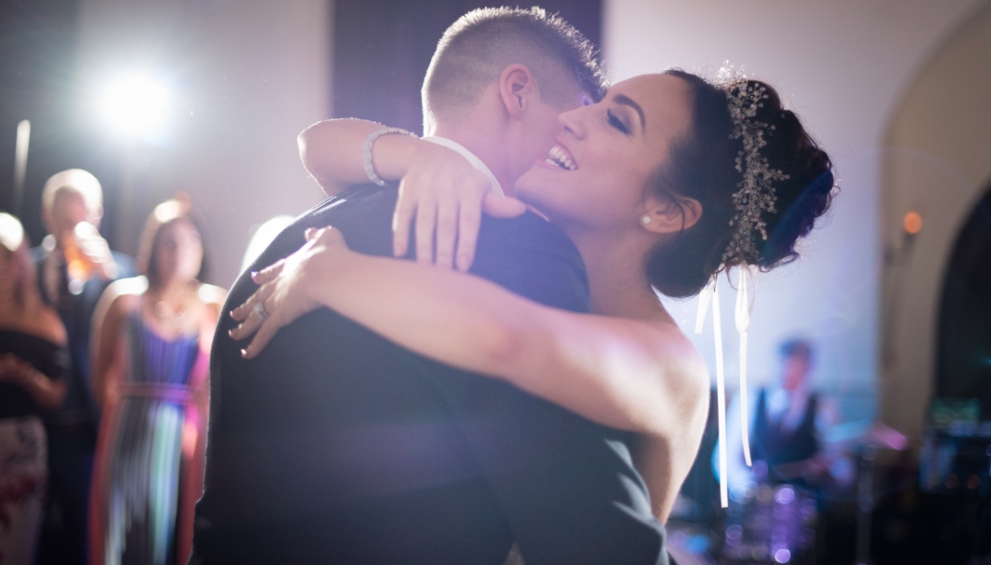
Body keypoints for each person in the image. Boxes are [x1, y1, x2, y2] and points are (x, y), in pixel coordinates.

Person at [231, 66, 835, 526]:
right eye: (596, 104)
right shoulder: (514, 236)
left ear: (664, 211)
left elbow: (512, 341)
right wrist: (424, 155)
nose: (574, 118)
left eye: (616, 121)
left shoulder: (672, 368)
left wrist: (328, 273)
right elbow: (318, 147)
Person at [191, 7, 676, 565]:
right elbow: (584, 527)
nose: (574, 136)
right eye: (576, 116)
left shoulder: (293, 235)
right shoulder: (516, 250)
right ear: (517, 91)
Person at [87, 197, 223, 565]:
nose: (179, 250)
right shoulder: (123, 299)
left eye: (189, 240)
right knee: (120, 536)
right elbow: (98, 372)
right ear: (153, 246)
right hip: (126, 434)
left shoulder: (214, 304)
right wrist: (122, 418)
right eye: (169, 240)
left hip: (186, 443)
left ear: (202, 249)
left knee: (177, 537)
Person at [33, 169, 135, 565]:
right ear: (47, 216)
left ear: (99, 216)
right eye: (65, 219)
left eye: (85, 218)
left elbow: (139, 334)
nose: (76, 228)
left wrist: (109, 276)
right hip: (31, 424)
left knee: (84, 539)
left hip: (89, 429)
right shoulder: (20, 267)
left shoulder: (123, 274)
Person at [0, 213, 68, 564]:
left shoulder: (44, 320)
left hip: (21, 446)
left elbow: (57, 397)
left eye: (6, 257)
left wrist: (24, 375)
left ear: (20, 262)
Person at [724, 338, 851, 499]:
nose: (786, 373)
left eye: (795, 368)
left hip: (803, 506)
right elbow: (726, 457)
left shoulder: (823, 407)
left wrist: (829, 473)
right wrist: (747, 486)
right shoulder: (749, 399)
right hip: (753, 503)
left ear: (807, 369)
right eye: (783, 366)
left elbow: (842, 467)